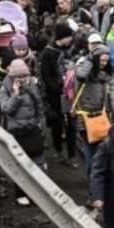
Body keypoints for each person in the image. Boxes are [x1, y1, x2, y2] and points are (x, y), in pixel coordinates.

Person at [0, 59, 45, 206]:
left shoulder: (31, 84)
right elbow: (6, 109)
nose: (21, 79)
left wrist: (40, 123)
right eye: (18, 77)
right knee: (20, 164)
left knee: (38, 161)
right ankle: (20, 193)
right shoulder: (5, 87)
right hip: (16, 130)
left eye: (24, 76)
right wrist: (16, 95)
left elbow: (39, 104)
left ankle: (38, 192)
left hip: (32, 128)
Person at [73, 45, 114, 176]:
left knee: (102, 152)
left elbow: (112, 93)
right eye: (101, 60)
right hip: (85, 118)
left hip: (102, 116)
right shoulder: (84, 70)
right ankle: (93, 184)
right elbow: (81, 74)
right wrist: (89, 59)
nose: (104, 64)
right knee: (90, 153)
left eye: (106, 61)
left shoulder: (107, 74)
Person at [40, 22, 77, 166]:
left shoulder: (69, 50)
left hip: (70, 93)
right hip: (55, 95)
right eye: (68, 37)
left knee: (72, 125)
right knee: (57, 124)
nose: (70, 40)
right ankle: (59, 150)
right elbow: (46, 75)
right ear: (62, 37)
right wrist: (57, 88)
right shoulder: (48, 53)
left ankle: (72, 155)